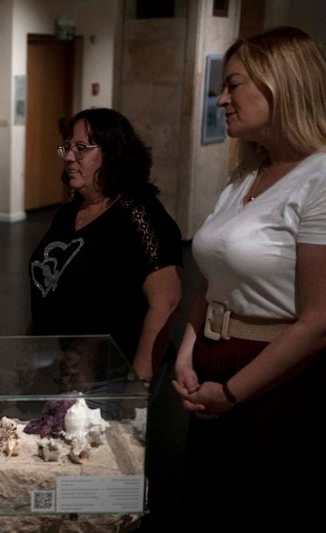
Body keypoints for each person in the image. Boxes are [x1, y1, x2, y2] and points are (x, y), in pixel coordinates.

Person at [172, 27, 326, 529]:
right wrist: (187, 349)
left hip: (272, 373)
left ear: (280, 85)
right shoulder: (245, 177)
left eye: (233, 85)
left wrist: (235, 391)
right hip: (216, 361)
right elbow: (211, 279)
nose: (221, 99)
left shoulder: (319, 178)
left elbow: (318, 321)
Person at [28, 108, 183, 386]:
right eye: (67, 147)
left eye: (82, 148)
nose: (69, 157)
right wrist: (30, 354)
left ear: (112, 153)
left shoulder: (138, 213)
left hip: (113, 373)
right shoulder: (69, 212)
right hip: (70, 368)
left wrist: (137, 382)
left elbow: (166, 301)